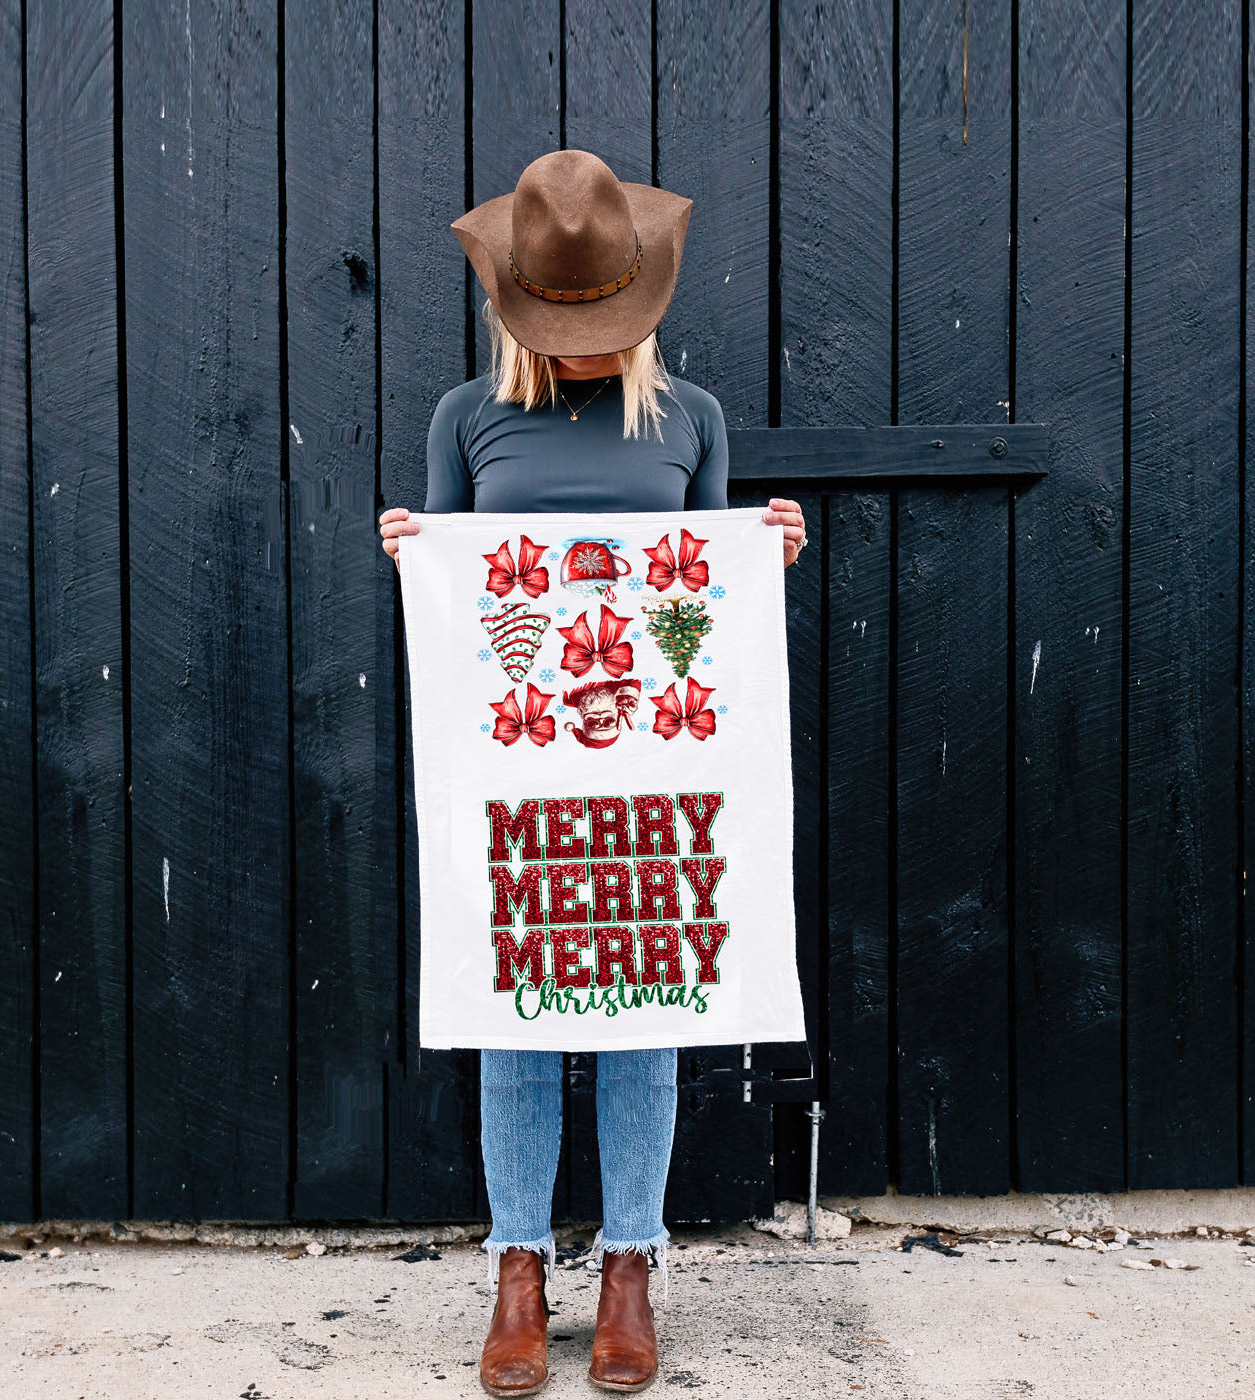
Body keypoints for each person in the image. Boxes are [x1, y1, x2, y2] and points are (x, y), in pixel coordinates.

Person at [379, 148, 806, 1397]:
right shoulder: (468, 416)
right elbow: (456, 605)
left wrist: (759, 549)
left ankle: (629, 1264)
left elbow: (708, 588)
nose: (576, 342)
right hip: (517, 765)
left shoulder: (692, 419)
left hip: (658, 765)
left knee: (644, 1010)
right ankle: (518, 1263)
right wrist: (417, 548)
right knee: (516, 1004)